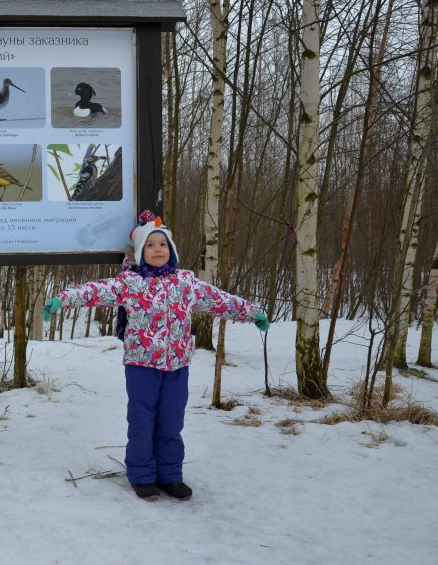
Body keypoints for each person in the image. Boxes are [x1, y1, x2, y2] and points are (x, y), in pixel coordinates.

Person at [42, 209, 270, 501]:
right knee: (141, 420)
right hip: (141, 365)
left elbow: (218, 299)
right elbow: (95, 291)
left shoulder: (185, 283)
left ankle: (170, 474)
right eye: (150, 245)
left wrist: (252, 313)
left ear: (171, 250)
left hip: (177, 366)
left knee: (172, 421)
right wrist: (62, 299)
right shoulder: (131, 283)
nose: (157, 249)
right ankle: (142, 474)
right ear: (140, 252)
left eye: (162, 244)